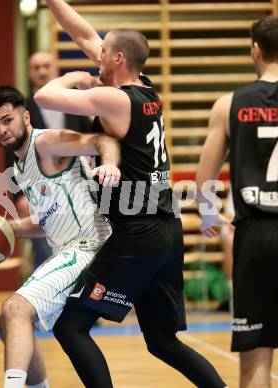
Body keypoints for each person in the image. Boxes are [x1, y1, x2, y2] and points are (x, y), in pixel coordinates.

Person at [33, 1, 227, 387]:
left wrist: (72, 77)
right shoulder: (143, 89)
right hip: (165, 230)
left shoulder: (115, 99)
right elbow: (85, 34)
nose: (95, 56)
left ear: (118, 58)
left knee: (71, 326)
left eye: (102, 54)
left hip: (138, 232)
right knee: (161, 340)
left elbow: (43, 97)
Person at [0, 85, 121, 388]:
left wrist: (109, 164)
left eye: (8, 120)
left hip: (90, 246)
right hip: (69, 251)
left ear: (26, 117)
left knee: (15, 309)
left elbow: (101, 140)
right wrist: (4, 227)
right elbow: (48, 221)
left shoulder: (46, 143)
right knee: (9, 323)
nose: (2, 130)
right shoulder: (20, 167)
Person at [196, 15, 278, 388]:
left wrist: (209, 216)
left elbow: (205, 181)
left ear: (256, 50)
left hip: (256, 237)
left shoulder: (229, 104)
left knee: (254, 363)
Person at [5, 51, 92, 269]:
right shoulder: (21, 110)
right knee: (46, 251)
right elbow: (10, 154)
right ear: (29, 73)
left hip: (77, 187)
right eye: (36, 67)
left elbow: (91, 138)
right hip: (39, 189)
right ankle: (47, 294)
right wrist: (18, 195)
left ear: (56, 70)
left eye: (46, 66)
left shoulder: (74, 103)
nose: (42, 71)